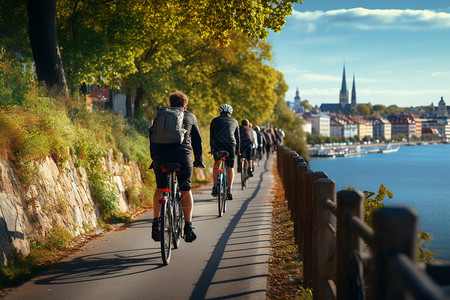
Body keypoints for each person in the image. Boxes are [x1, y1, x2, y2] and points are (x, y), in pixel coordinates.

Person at [149, 91, 205, 243]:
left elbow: (152, 136)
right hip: (182, 157)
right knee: (185, 191)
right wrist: (199, 160)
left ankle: (156, 222)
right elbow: (198, 142)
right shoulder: (190, 116)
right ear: (185, 106)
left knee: (160, 188)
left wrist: (153, 158)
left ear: (170, 104)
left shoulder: (162, 115)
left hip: (160, 157)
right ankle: (187, 227)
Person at [210, 104, 240, 200]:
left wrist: (212, 149)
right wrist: (238, 151)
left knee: (217, 163)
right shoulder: (235, 121)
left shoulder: (214, 120)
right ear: (230, 113)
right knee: (230, 167)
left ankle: (215, 186)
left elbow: (212, 136)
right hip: (230, 144)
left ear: (220, 112)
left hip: (217, 143)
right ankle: (229, 189)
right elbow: (237, 138)